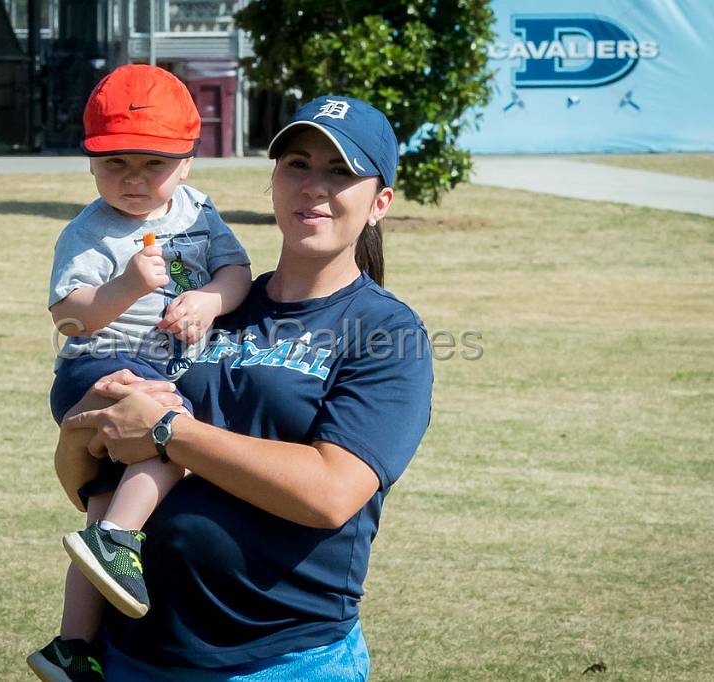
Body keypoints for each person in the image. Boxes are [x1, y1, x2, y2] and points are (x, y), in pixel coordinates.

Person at [58, 95, 434, 680]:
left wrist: (166, 430)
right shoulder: (209, 305)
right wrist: (87, 429)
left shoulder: (386, 332)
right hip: (135, 652)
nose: (313, 187)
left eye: (340, 172)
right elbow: (82, 476)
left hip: (281, 659)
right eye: (298, 165)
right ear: (275, 180)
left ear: (379, 202)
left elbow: (330, 493)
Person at [27, 64, 251, 682]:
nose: (132, 178)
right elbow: (70, 318)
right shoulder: (88, 233)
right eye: (114, 163)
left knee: (100, 503)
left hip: (153, 365)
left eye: (152, 163)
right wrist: (124, 287)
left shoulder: (199, 214)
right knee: (173, 432)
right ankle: (118, 541)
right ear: (90, 164)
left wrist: (209, 301)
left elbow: (236, 273)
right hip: (95, 367)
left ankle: (73, 647)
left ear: (188, 161)